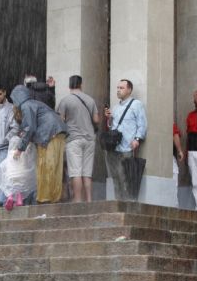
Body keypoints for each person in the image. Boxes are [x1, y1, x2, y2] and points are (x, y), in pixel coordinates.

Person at [11, 82, 68, 204]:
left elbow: (29, 127)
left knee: (46, 166)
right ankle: (54, 197)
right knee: (56, 167)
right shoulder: (35, 103)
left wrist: (20, 149)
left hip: (49, 135)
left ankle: (45, 198)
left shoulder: (26, 106)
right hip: (58, 132)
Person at [56, 74, 101, 203]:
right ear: (81, 85)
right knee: (87, 173)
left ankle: (77, 200)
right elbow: (96, 119)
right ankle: (89, 200)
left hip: (74, 139)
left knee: (76, 172)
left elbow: (61, 120)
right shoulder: (90, 100)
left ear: (69, 85)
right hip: (90, 139)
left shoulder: (65, 101)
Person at [104, 79, 148, 201]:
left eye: (121, 88)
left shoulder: (136, 104)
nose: (118, 90)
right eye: (117, 88)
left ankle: (128, 205)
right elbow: (112, 126)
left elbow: (142, 124)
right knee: (116, 179)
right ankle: (119, 205)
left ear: (129, 89)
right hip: (114, 148)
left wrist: (137, 139)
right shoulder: (116, 107)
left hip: (127, 147)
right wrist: (109, 118)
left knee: (126, 179)